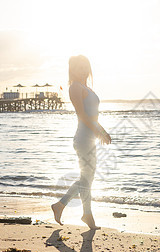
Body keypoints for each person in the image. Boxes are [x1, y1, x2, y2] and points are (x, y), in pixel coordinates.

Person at [52, 55, 111, 230]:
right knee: (86, 179)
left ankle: (84, 214)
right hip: (84, 139)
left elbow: (93, 116)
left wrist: (103, 131)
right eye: (78, 67)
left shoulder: (86, 87)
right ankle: (66, 207)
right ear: (72, 69)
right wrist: (97, 132)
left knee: (87, 179)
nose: (82, 70)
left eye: (85, 66)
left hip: (89, 137)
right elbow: (82, 116)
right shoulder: (75, 88)